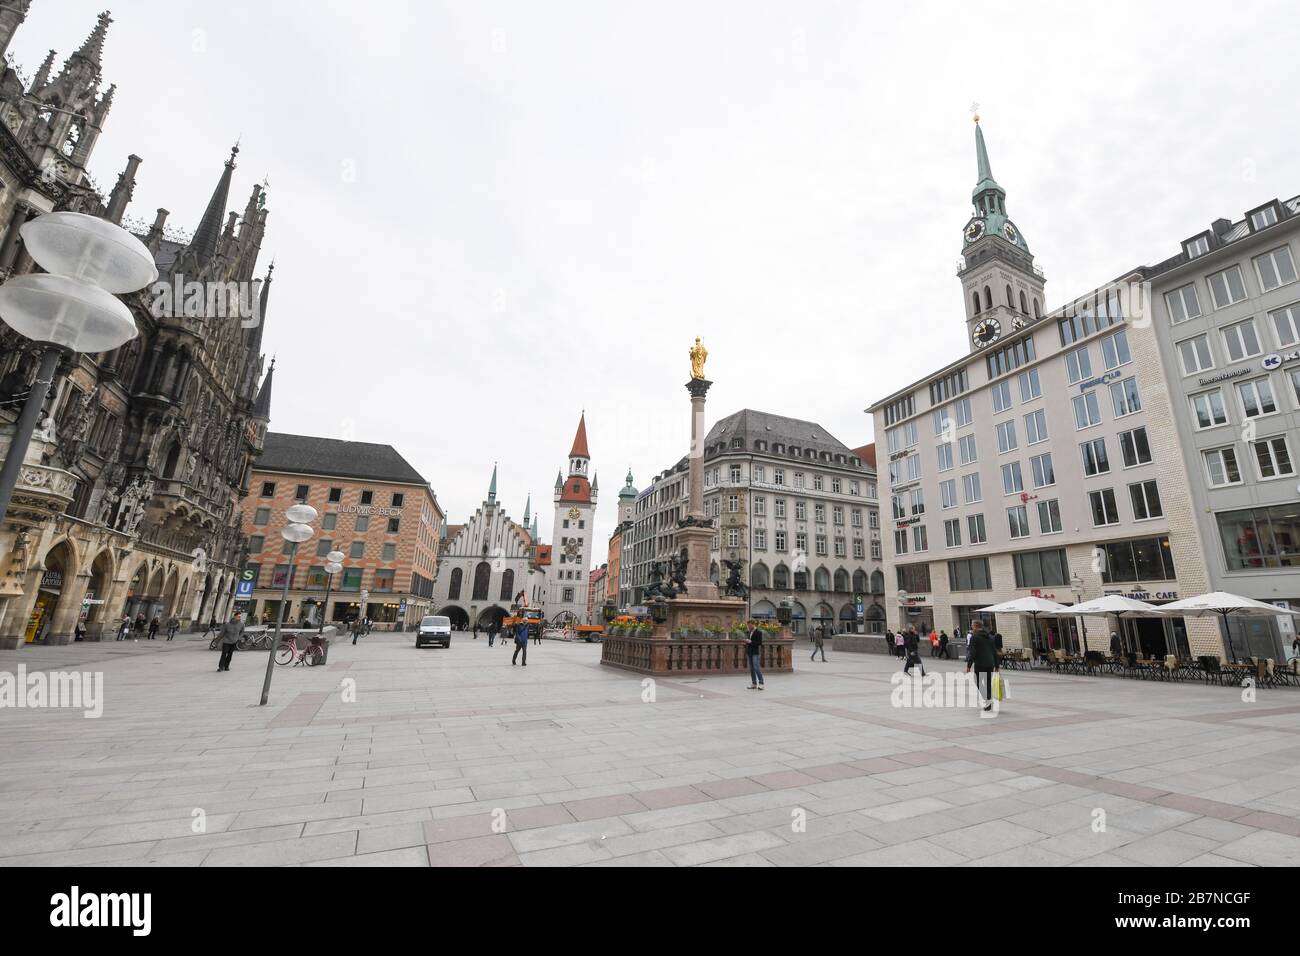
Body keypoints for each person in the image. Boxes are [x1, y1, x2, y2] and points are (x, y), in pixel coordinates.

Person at [965, 623, 1000, 712]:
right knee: (988, 682)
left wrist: (969, 665)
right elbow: (994, 652)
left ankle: (987, 699)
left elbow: (973, 652)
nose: (971, 628)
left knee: (978, 681)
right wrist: (997, 665)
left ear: (976, 626)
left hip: (980, 663)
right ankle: (988, 700)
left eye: (972, 626)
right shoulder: (990, 637)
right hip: (990, 664)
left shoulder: (975, 637)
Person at [746, 621, 765, 689]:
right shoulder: (749, 632)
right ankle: (754, 683)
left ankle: (761, 683)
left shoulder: (758, 632)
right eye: (748, 625)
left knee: (756, 668)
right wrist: (747, 641)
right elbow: (749, 642)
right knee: (751, 669)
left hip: (755, 653)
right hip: (749, 652)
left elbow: (759, 643)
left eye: (749, 625)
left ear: (753, 624)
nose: (748, 626)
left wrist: (750, 642)